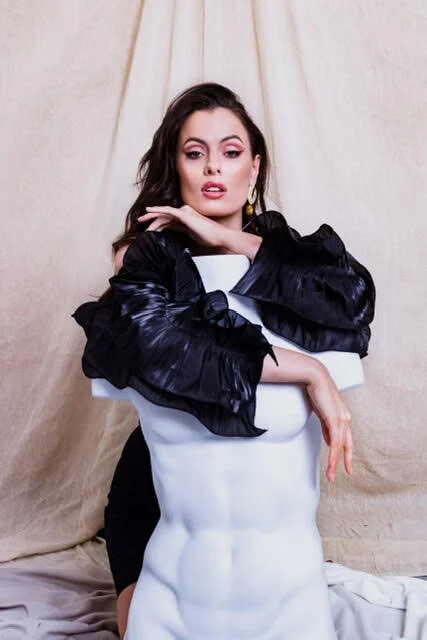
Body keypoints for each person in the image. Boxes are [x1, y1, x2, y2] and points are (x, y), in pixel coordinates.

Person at [73, 82, 375, 639]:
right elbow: (179, 346)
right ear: (175, 167)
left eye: (231, 152)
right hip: (171, 599)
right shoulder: (146, 288)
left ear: (254, 168)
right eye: (195, 152)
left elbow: (352, 298)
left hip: (291, 606)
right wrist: (310, 370)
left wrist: (228, 239)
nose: (213, 166)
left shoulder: (302, 287)